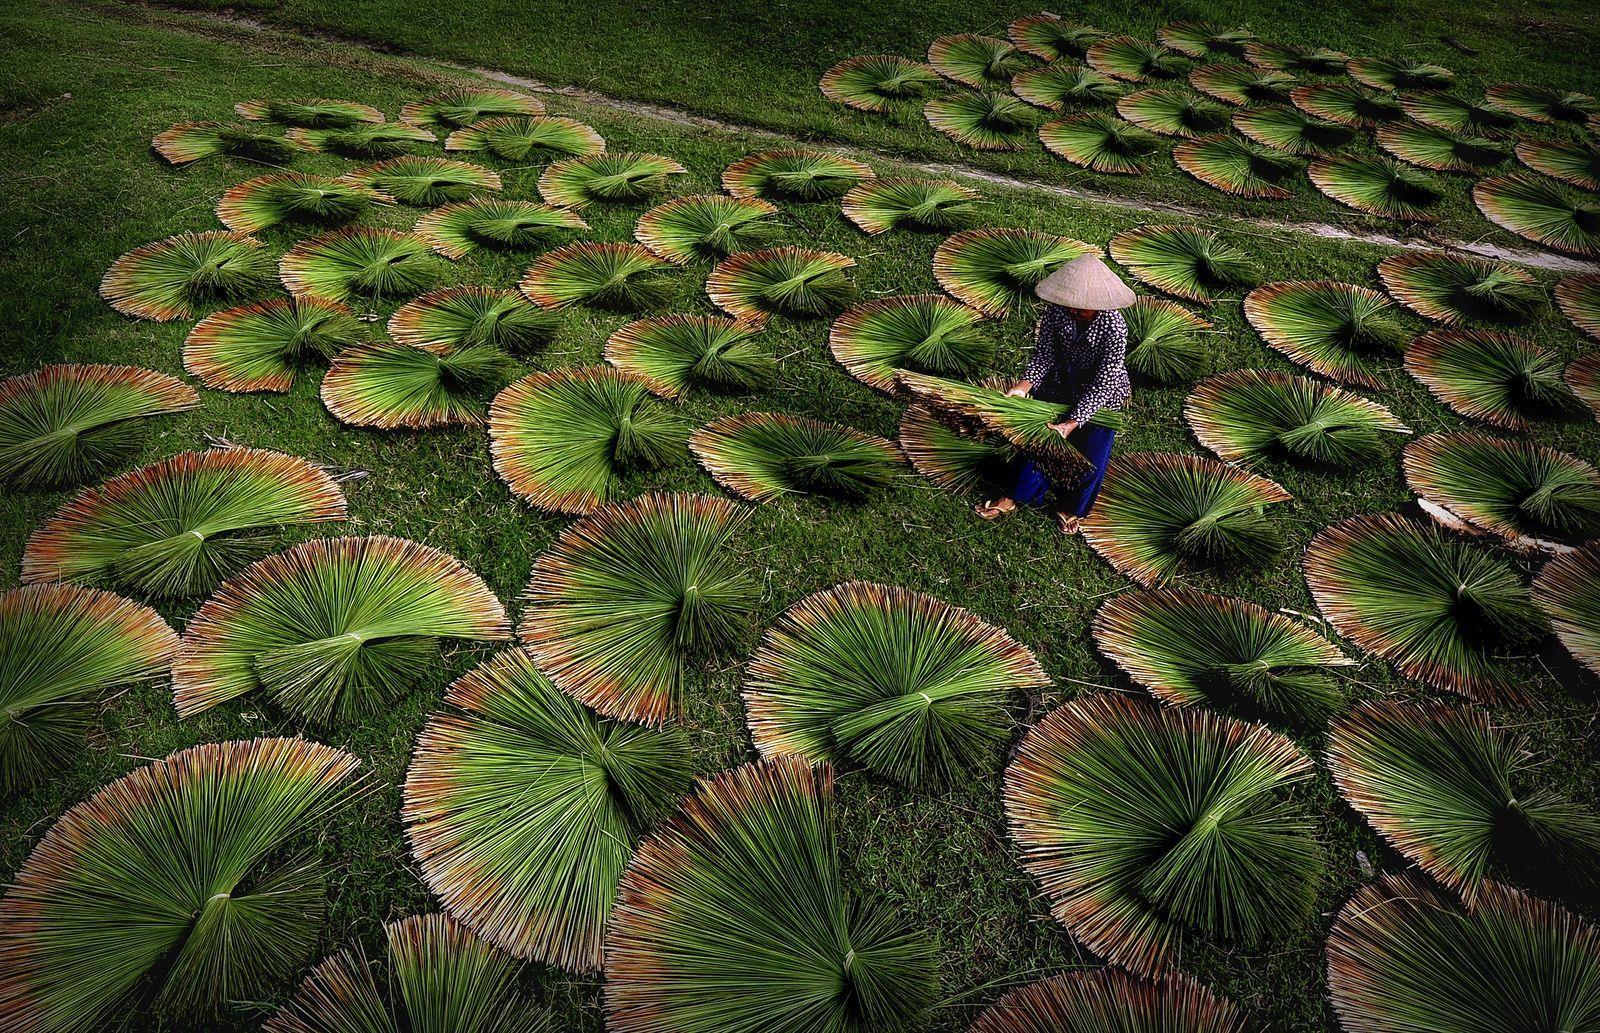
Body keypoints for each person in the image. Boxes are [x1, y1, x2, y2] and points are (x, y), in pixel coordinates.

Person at [974, 253, 1134, 535]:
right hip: (1059, 385)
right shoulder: (1056, 312)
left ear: (1096, 306)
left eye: (1080, 309)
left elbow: (1105, 381)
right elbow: (1044, 355)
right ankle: (1015, 496)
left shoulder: (1114, 328)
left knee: (1092, 456)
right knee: (1040, 444)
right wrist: (1024, 386)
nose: (1072, 310)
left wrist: (1072, 422)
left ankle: (1071, 507)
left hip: (1102, 398)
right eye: (1069, 305)